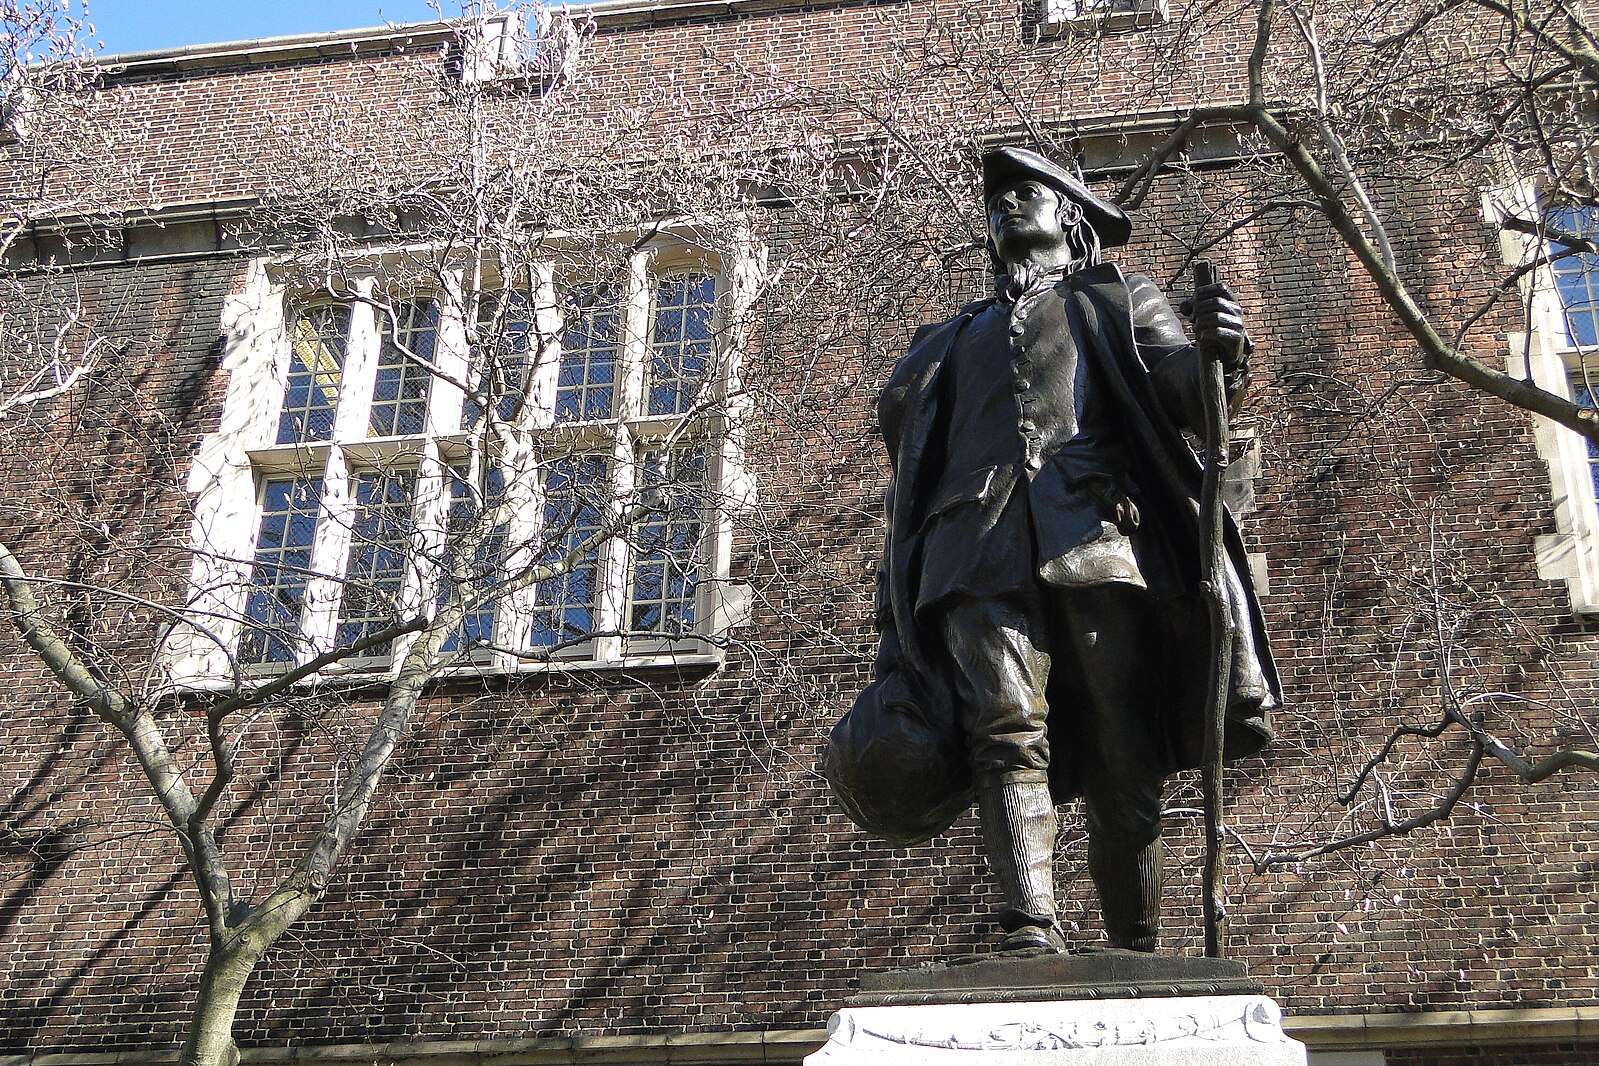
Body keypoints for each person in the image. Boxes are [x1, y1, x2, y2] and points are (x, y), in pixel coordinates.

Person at [863, 146, 1280, 954]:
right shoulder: (947, 341)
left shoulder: (1119, 300)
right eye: (998, 199)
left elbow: (1181, 395)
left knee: (1124, 754)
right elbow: (908, 475)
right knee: (1004, 727)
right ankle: (1028, 925)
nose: (1007, 206)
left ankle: (1134, 943)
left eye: (1026, 193)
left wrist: (1217, 356)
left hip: (1096, 537)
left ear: (1070, 218)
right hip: (971, 551)